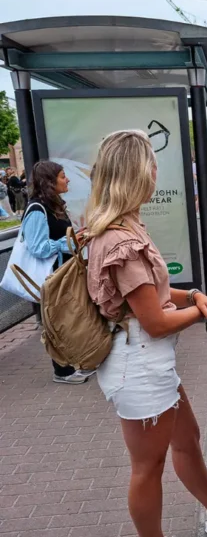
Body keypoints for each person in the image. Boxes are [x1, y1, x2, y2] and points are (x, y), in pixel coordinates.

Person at [86, 130, 207, 537]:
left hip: (149, 361)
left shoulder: (123, 227)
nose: (157, 173)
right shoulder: (120, 241)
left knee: (188, 437)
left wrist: (194, 294)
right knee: (148, 465)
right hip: (138, 365)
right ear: (137, 173)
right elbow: (154, 320)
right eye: (152, 166)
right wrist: (200, 311)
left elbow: (155, 294)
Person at [22, 160, 94, 384]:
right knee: (57, 321)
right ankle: (61, 370)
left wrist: (76, 237)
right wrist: (68, 242)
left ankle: (73, 364)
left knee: (67, 319)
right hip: (50, 277)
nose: (68, 179)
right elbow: (37, 247)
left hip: (61, 273)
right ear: (50, 182)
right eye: (63, 176)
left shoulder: (53, 206)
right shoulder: (37, 209)